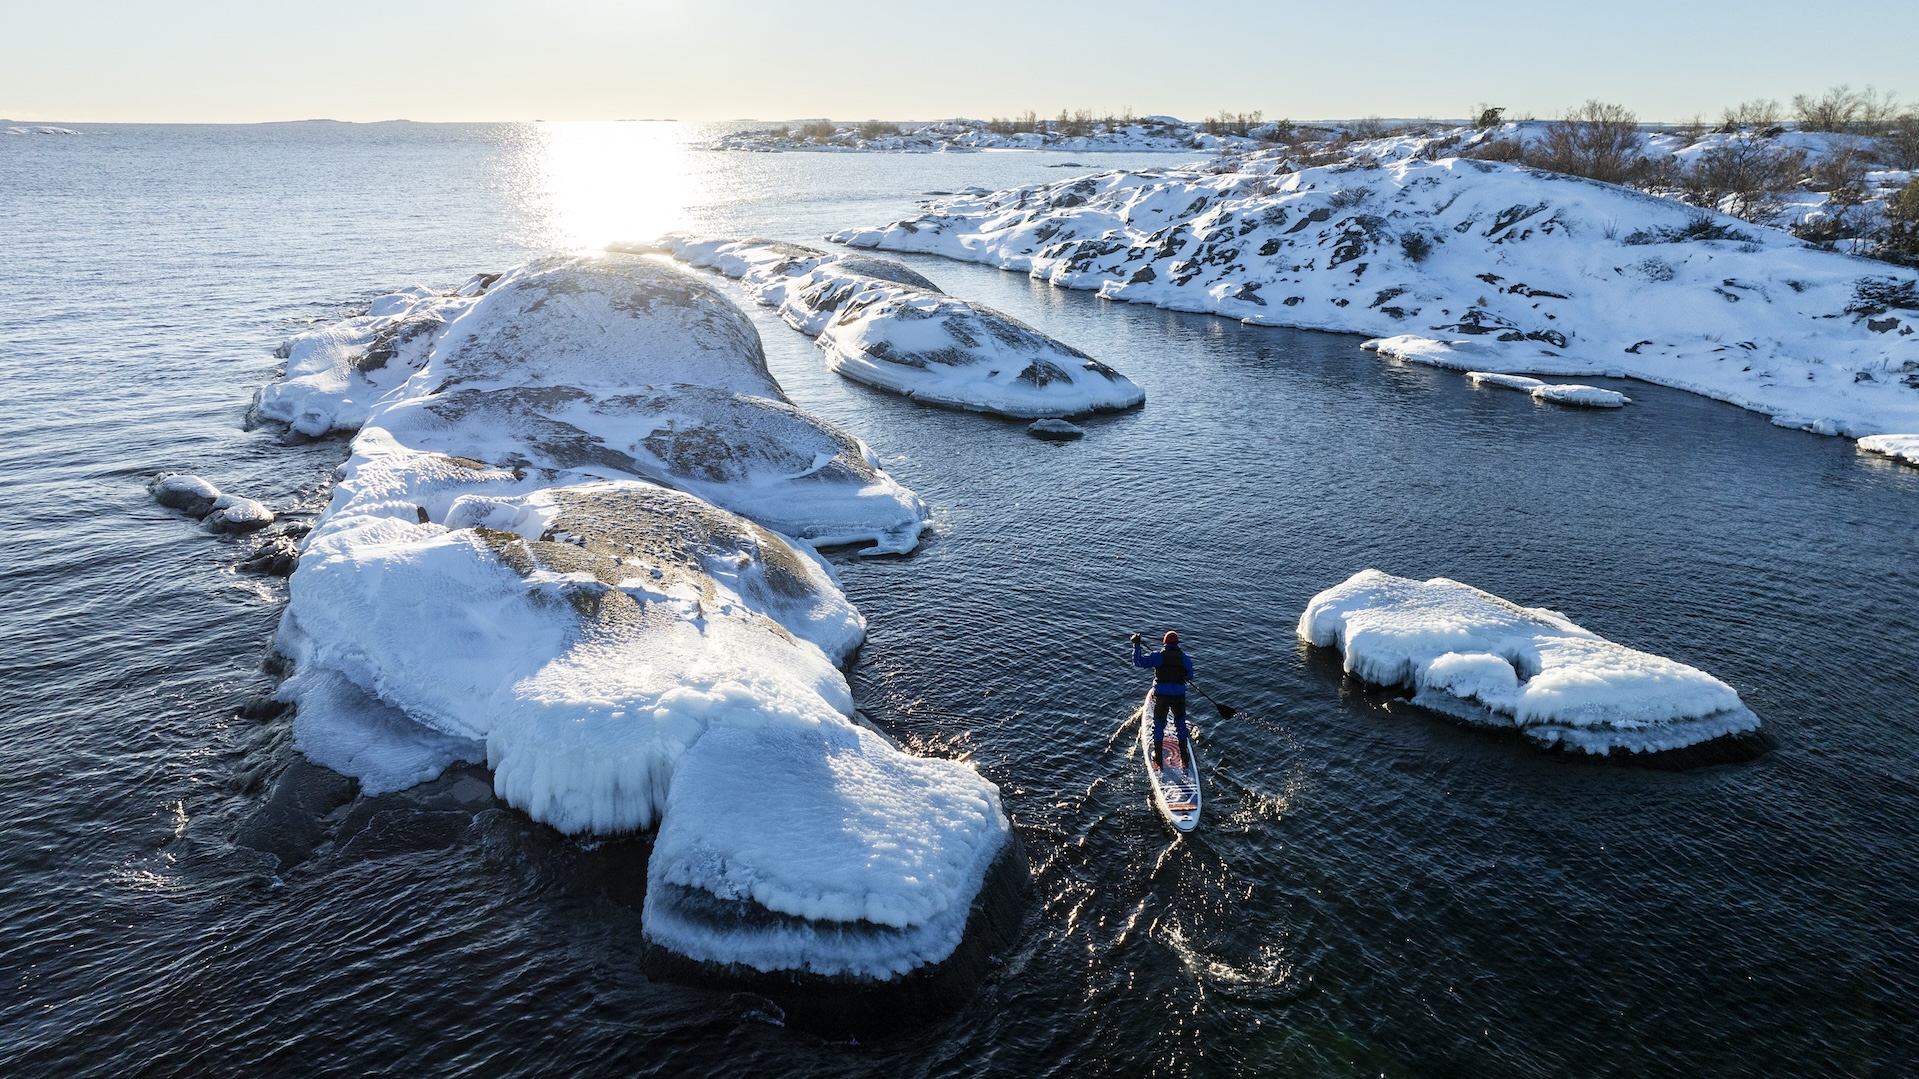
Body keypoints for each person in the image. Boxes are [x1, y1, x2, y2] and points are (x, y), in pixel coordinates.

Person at [1132, 630, 1194, 769]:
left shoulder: (1158, 657)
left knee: (1159, 725)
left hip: (1161, 697)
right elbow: (1189, 676)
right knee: (1181, 725)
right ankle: (1184, 759)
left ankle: (1158, 759)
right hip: (1179, 697)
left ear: (1164, 642)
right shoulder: (1185, 659)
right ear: (1177, 643)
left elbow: (1139, 662)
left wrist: (1137, 645)